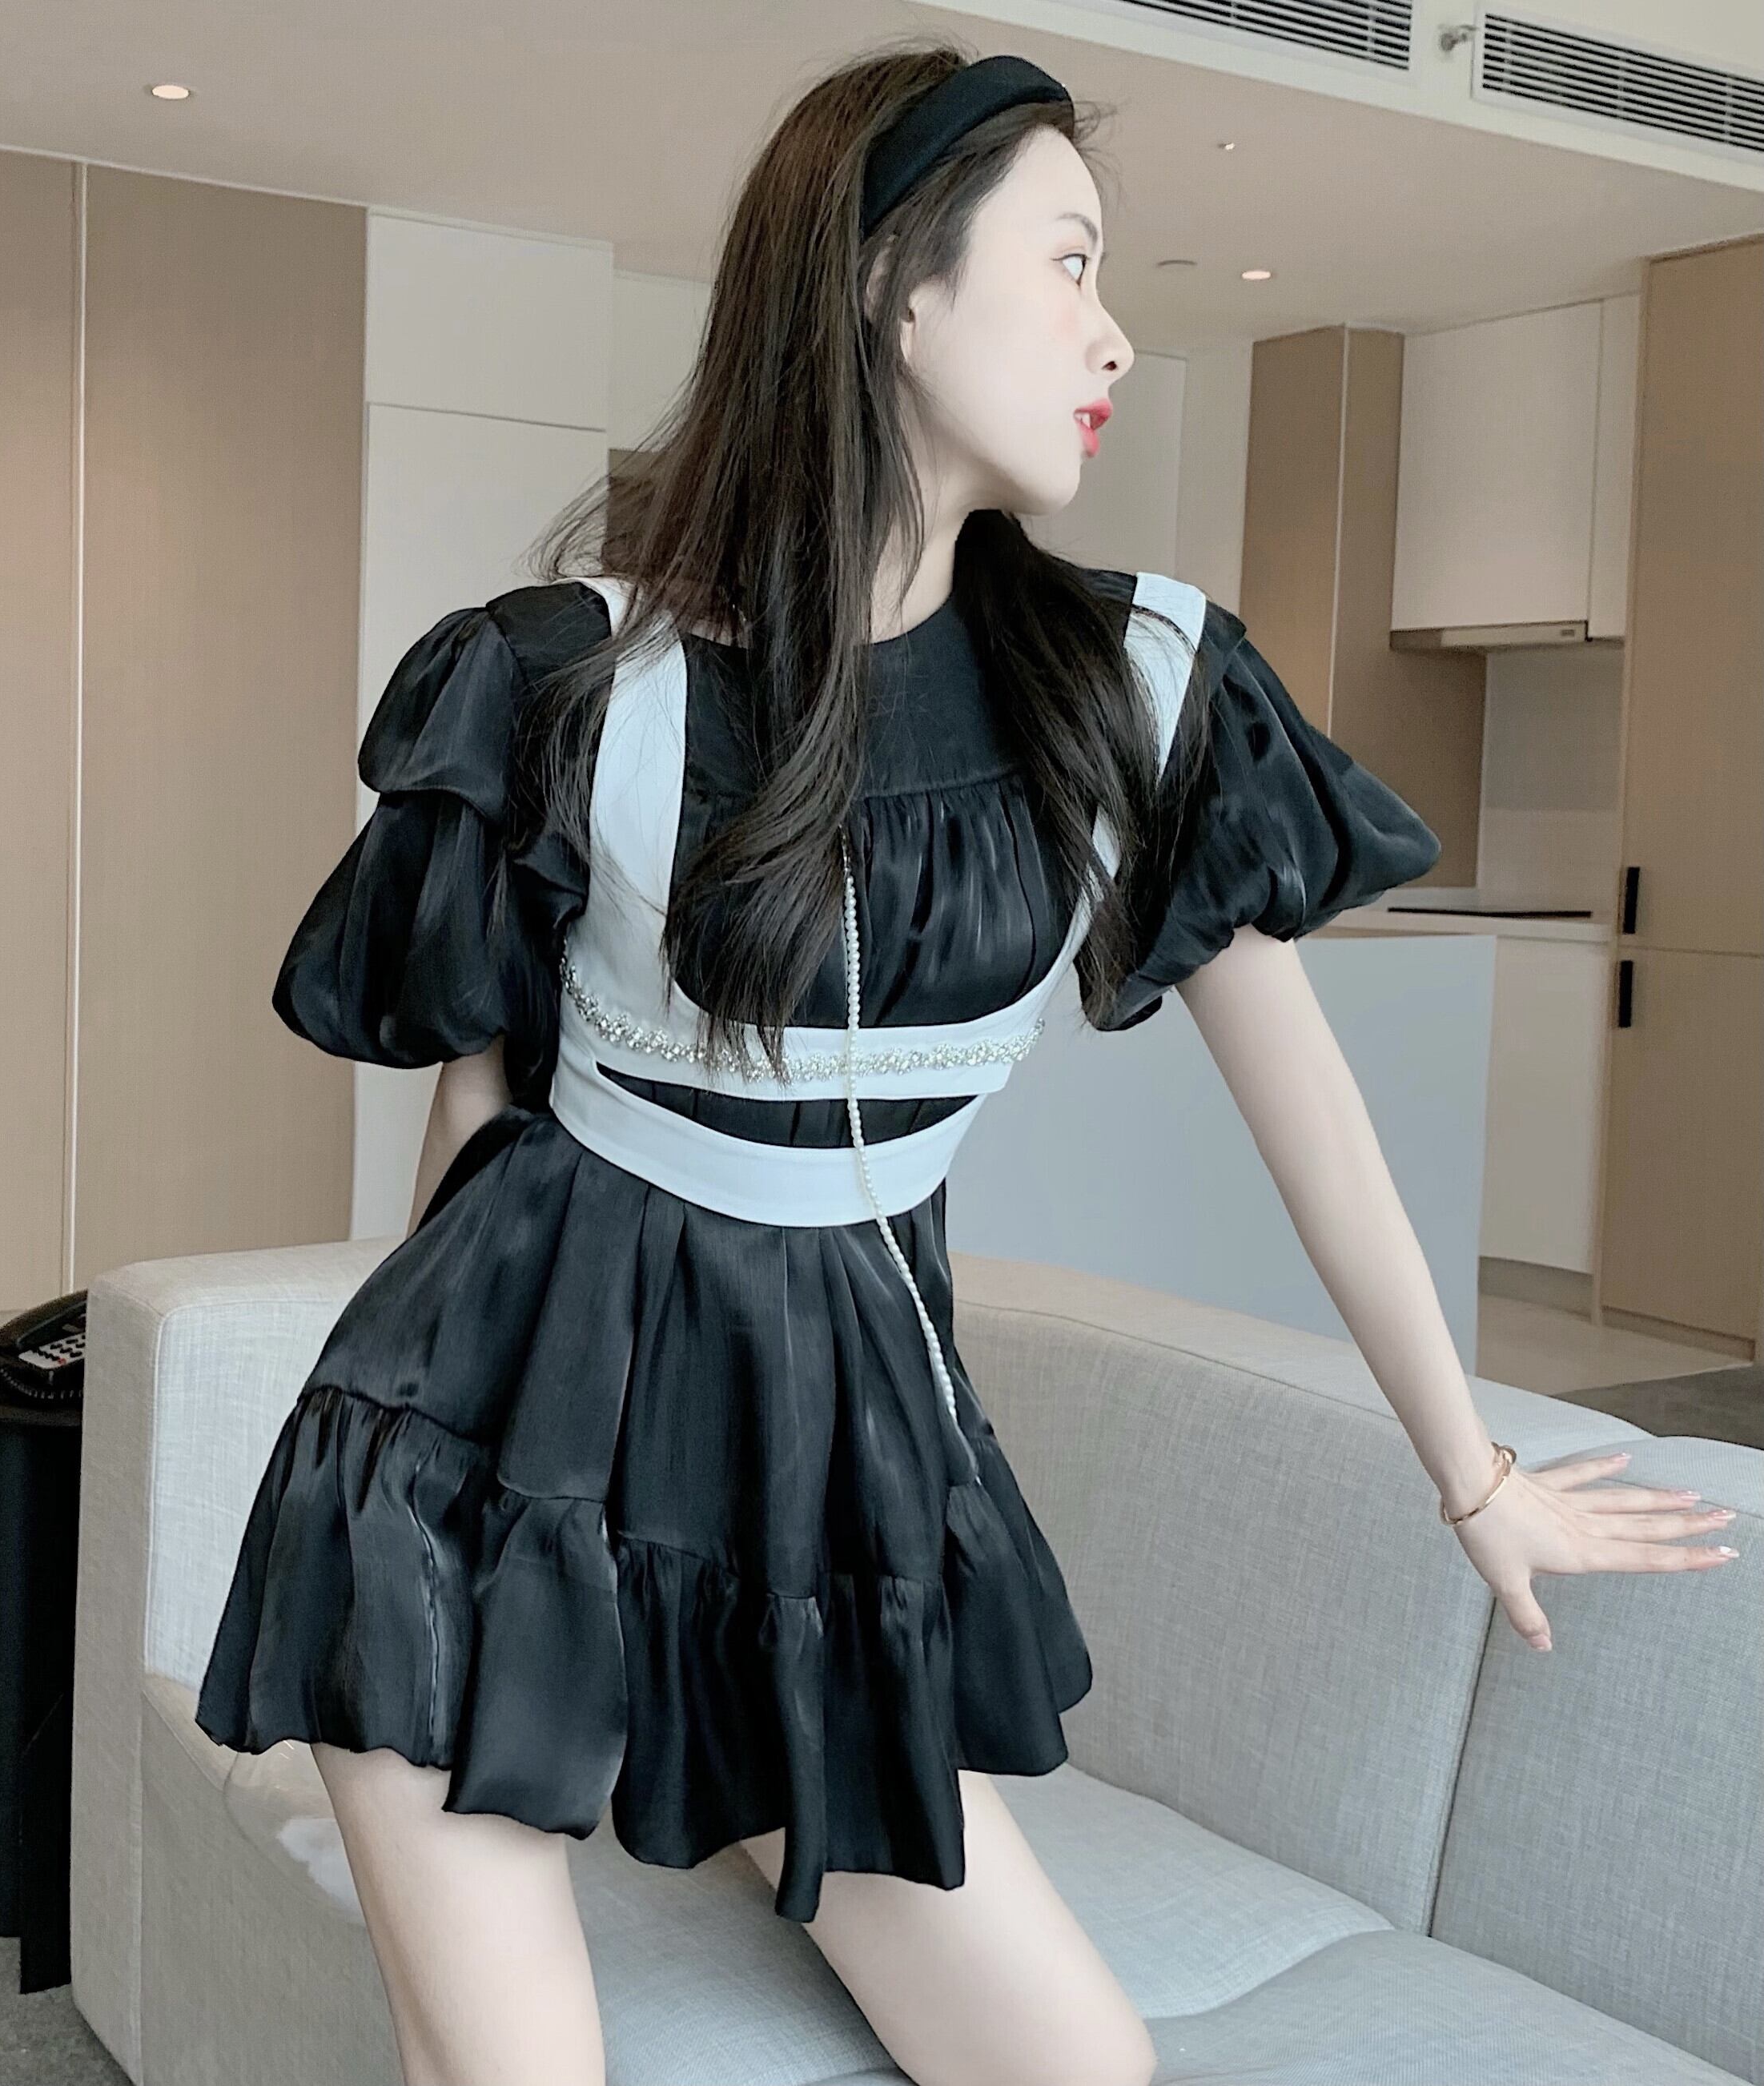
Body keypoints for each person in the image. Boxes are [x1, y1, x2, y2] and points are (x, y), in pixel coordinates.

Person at [194, 41, 1741, 2086]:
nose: (1115, 336)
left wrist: (1476, 1478)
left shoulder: (1138, 686)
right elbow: (481, 1110)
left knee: (1082, 2068)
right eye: (1069, 263)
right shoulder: (576, 676)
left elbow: (1311, 1121)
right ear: (889, 286)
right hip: (475, 1474)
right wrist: (464, 1548)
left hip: (812, 1513)